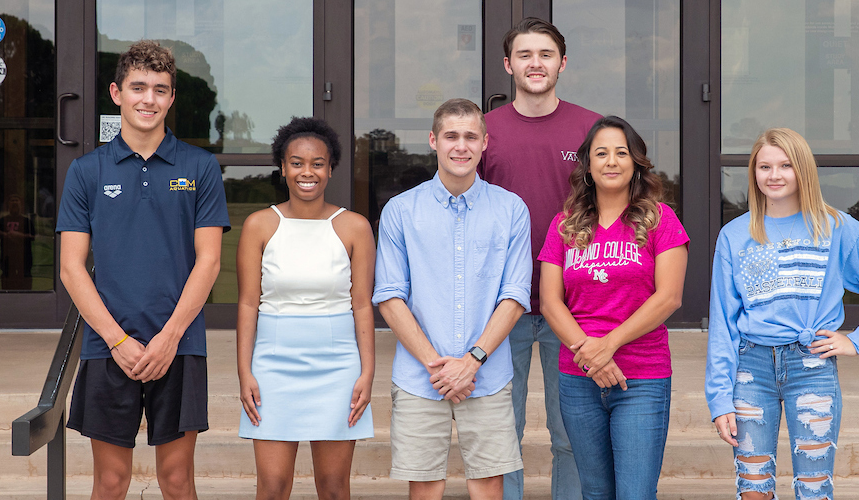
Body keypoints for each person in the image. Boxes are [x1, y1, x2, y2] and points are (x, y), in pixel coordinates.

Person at [56, 40, 230, 500]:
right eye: (138, 87)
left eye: (159, 89)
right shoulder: (87, 171)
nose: (148, 99)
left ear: (172, 98)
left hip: (180, 343)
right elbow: (72, 269)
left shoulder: (200, 166)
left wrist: (169, 337)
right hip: (108, 345)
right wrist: (117, 341)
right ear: (116, 93)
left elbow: (209, 261)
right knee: (110, 483)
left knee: (177, 482)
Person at [706, 128, 859, 500]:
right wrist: (719, 398)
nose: (774, 175)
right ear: (753, 173)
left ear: (803, 170)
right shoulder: (734, 235)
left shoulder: (834, 227)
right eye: (764, 166)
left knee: (814, 487)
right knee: (752, 485)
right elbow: (723, 323)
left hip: (811, 367)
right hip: (750, 369)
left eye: (786, 165)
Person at [373, 98, 531, 500]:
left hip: (488, 375)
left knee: (488, 489)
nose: (461, 146)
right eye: (451, 136)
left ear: (484, 143)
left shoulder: (511, 210)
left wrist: (471, 361)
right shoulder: (401, 211)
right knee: (424, 490)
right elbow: (391, 297)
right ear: (433, 141)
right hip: (420, 378)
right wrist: (439, 367)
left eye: (470, 136)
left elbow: (514, 295)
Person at [477, 17, 602, 500]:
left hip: (574, 309)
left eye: (545, 55)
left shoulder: (590, 128)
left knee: (570, 432)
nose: (535, 63)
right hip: (500, 306)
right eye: (525, 55)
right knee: (499, 434)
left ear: (562, 63)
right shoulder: (484, 132)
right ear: (508, 65)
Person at [537, 116, 689, 499]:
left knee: (635, 493)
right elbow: (549, 301)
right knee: (595, 492)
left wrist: (608, 345)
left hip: (642, 377)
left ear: (636, 162)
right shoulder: (565, 225)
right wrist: (590, 356)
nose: (611, 161)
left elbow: (669, 296)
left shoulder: (660, 220)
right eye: (601, 153)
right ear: (587, 165)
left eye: (621, 152)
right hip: (578, 378)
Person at [235, 117, 375, 499]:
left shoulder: (355, 227)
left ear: (330, 168)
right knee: (274, 485)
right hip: (274, 363)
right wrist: (244, 370)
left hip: (338, 364)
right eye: (296, 162)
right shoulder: (259, 224)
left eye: (317, 163)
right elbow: (248, 304)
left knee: (333, 487)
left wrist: (366, 371)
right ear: (282, 167)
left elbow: (362, 305)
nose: (306, 172)